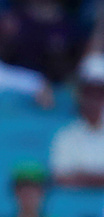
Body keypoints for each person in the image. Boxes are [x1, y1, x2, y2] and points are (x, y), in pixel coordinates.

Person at [50, 54, 104, 189]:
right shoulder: (65, 135)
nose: (94, 98)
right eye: (89, 92)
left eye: (100, 93)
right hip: (72, 202)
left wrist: (81, 177)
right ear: (80, 94)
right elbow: (60, 178)